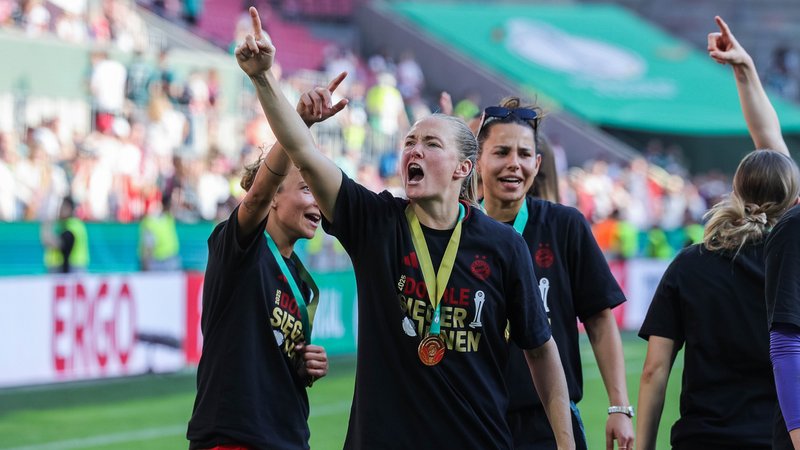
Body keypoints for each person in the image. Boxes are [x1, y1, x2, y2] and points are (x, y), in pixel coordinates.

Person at [237, 7, 575, 449]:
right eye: (409, 142)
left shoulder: (503, 245)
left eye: (431, 143)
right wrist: (263, 78)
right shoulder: (374, 221)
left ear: (463, 168)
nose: (414, 149)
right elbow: (302, 150)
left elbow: (540, 351)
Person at [636, 16, 798, 450]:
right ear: (794, 201)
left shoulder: (691, 263)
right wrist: (744, 69)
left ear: (735, 190)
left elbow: (654, 371)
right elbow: (771, 145)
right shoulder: (794, 264)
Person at [186, 10, 345, 447]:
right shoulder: (239, 248)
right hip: (234, 439)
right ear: (275, 195)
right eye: (306, 188)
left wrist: (302, 366)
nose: (318, 200)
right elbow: (254, 197)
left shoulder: (302, 282)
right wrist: (301, 126)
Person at [475, 96, 633, 450]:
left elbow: (600, 320)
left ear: (538, 162)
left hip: (548, 424)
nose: (514, 164)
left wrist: (619, 406)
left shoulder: (565, 226)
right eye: (501, 152)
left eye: (524, 154)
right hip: (474, 422)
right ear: (477, 161)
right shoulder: (458, 230)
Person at [42, 196, 90, 273]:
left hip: (73, 270)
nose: (59, 211)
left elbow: (55, 243)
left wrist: (46, 225)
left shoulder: (72, 227)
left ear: (69, 208)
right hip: (75, 269)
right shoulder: (72, 225)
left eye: (61, 207)